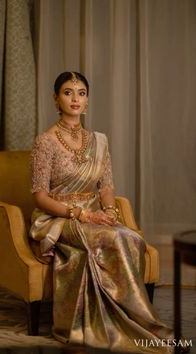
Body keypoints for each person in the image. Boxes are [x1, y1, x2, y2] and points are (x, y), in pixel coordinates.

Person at [29, 72, 186, 353]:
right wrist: (83, 215)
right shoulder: (46, 141)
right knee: (112, 239)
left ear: (88, 100)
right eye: (68, 92)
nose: (75, 98)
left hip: (95, 213)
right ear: (55, 98)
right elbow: (40, 197)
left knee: (132, 238)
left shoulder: (99, 141)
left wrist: (111, 210)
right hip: (60, 217)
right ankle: (136, 326)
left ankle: (134, 319)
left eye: (81, 92)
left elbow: (106, 187)